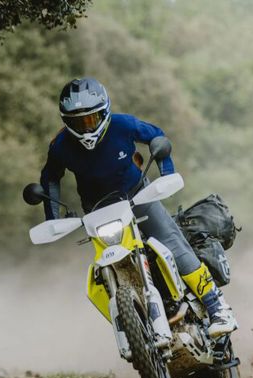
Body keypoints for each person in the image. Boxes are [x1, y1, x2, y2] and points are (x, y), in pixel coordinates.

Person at [39, 77, 238, 337]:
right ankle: (134, 326)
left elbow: (157, 136)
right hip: (97, 212)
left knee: (171, 241)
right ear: (66, 121)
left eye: (91, 119)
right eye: (78, 122)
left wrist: (167, 173)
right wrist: (51, 218)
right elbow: (50, 178)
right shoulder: (60, 146)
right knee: (103, 267)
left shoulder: (123, 125)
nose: (86, 127)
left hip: (138, 197)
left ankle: (218, 307)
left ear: (104, 112)